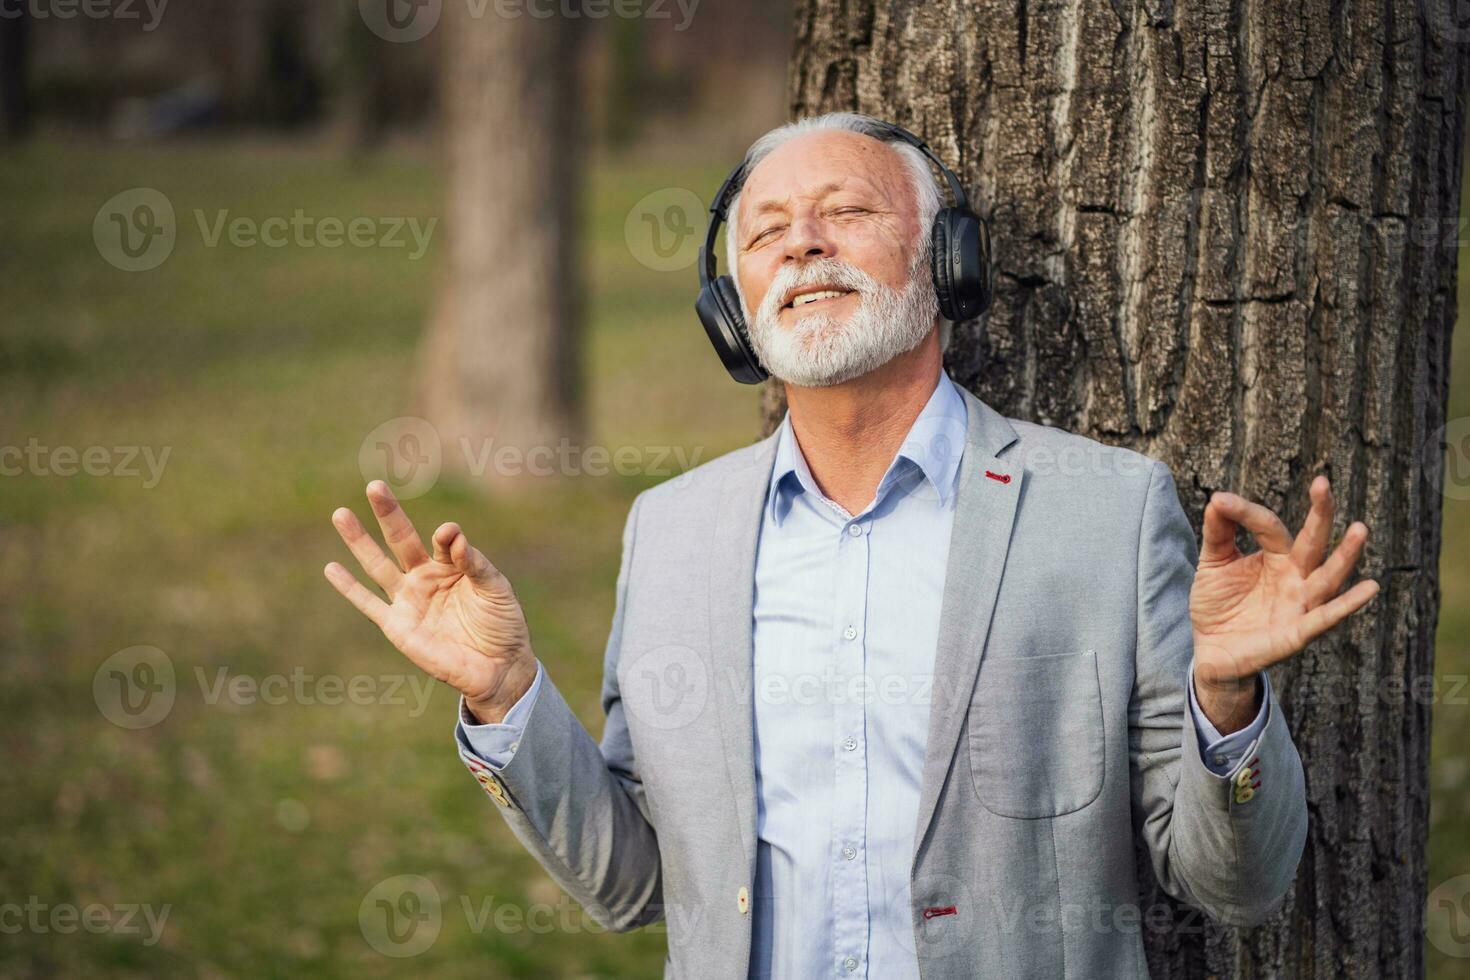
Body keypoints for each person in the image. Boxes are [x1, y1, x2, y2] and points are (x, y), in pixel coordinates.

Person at [324, 113, 1379, 979]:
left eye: (846, 212)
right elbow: (636, 880)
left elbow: (1236, 883)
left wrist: (1229, 704)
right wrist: (509, 694)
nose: (801, 242)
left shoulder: (1105, 509)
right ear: (730, 309)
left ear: (946, 265)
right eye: (767, 229)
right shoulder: (673, 530)